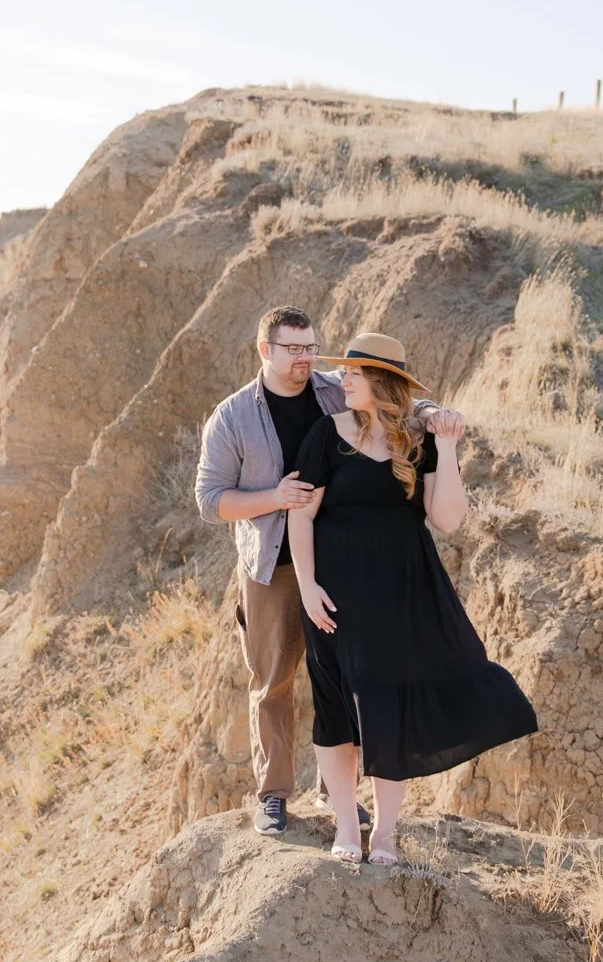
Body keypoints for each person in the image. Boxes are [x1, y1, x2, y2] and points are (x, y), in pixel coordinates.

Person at [288, 332, 538, 865]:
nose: (343, 380)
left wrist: (446, 449)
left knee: (388, 708)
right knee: (335, 707)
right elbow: (301, 514)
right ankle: (346, 826)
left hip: (402, 593)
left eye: (353, 374)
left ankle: (385, 832)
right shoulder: (326, 434)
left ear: (380, 382)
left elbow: (447, 519)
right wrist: (307, 586)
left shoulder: (418, 441)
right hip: (333, 593)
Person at [194, 307, 436, 838]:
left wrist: (435, 410)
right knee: (274, 682)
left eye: (309, 348)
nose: (305, 359)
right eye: (292, 349)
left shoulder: (335, 390)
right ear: (265, 351)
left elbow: (396, 397)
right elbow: (210, 500)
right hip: (273, 568)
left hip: (344, 565)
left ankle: (338, 792)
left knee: (347, 679)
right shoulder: (232, 417)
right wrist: (273, 498)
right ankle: (275, 794)